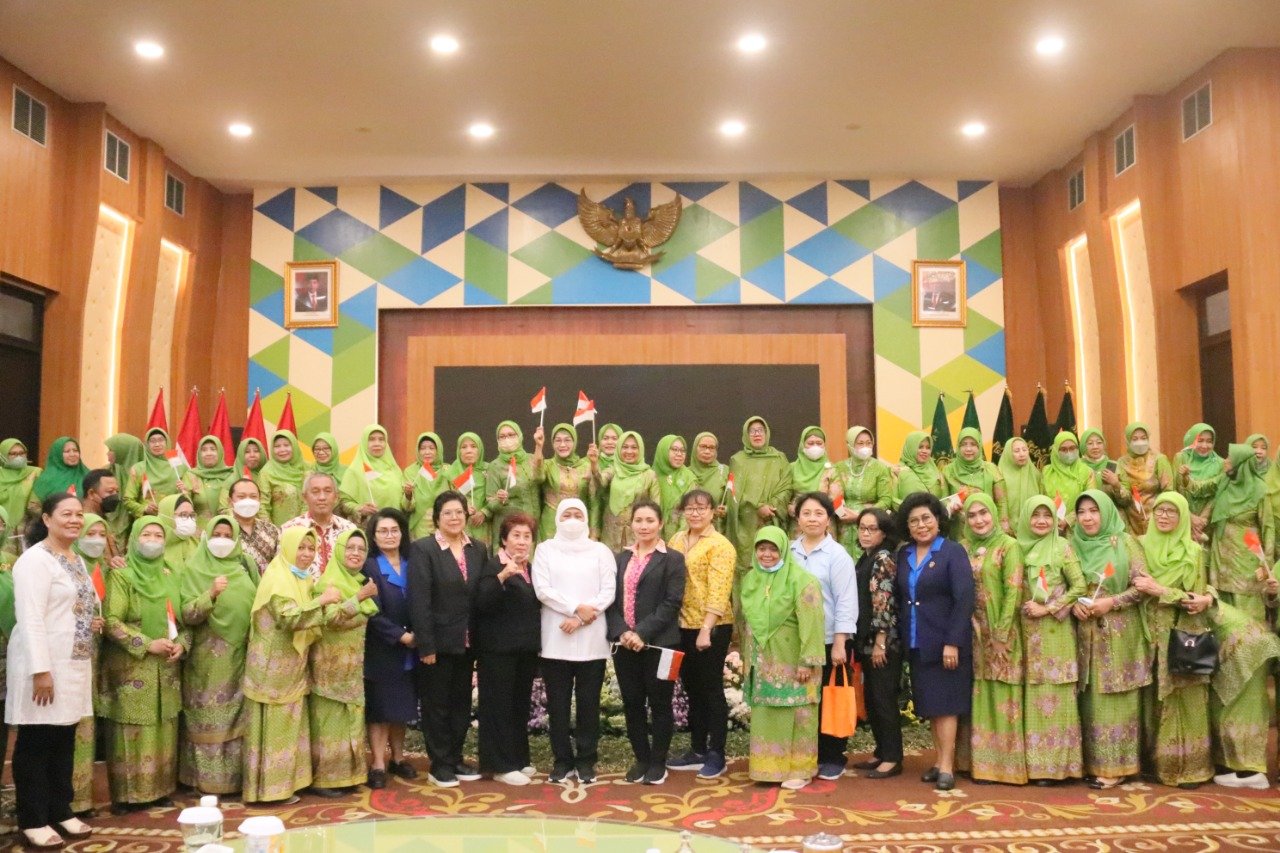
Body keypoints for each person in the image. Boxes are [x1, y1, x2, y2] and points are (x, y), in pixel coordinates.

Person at [6, 493, 99, 847]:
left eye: (78, 514)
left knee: (64, 738)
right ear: (46, 519)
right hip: (43, 665)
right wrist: (40, 670)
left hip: (72, 663)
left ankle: (61, 810)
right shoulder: (34, 561)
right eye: (66, 514)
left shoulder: (76, 559)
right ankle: (33, 818)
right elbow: (30, 617)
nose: (75, 520)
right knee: (37, 740)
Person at [242, 528, 345, 804]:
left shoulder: (302, 578)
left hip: (292, 666)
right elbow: (288, 618)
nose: (306, 554)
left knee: (291, 727)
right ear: (287, 548)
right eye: (300, 547)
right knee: (275, 729)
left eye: (311, 549)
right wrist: (322, 601)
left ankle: (288, 786)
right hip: (271, 668)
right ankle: (269, 791)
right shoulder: (277, 578)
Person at [101, 516, 190, 813]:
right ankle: (127, 795)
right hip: (132, 667)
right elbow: (111, 621)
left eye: (158, 535)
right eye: (146, 534)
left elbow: (183, 621)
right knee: (131, 728)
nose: (152, 540)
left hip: (166, 667)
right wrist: (146, 644)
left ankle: (159, 790)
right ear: (134, 538)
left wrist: (182, 644)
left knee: (163, 728)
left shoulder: (170, 573)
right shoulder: (122, 575)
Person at [1069, 490, 1152, 789]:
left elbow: (1143, 585)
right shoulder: (1071, 544)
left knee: (1117, 700)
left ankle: (1117, 767)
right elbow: (1064, 585)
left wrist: (1111, 602)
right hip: (1085, 634)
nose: (1088, 518)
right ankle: (1094, 764)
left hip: (1120, 632)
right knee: (1091, 700)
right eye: (1082, 512)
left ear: (1106, 512)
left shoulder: (1125, 542)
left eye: (1094, 511)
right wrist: (1074, 605)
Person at [1205, 444, 1277, 789]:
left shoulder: (1260, 492)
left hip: (1250, 588)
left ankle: (1251, 764)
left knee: (1250, 667)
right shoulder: (1223, 488)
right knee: (1223, 669)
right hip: (1220, 587)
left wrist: (1268, 580)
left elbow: (1270, 539)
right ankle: (1225, 760)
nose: (1225, 462)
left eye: (1230, 459)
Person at [1132, 492, 1213, 788]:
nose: (1164, 516)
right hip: (1146, 631)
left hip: (1182, 632)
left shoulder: (1194, 551)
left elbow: (1196, 597)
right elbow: (1133, 586)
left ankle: (1190, 768)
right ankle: (1155, 765)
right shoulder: (1140, 545)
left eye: (1171, 511)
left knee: (1185, 697)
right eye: (1159, 510)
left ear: (1182, 517)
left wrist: (1160, 590)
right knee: (1151, 697)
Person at [532, 498, 616, 784]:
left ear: (586, 519)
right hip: (556, 638)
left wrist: (580, 618)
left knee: (588, 705)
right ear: (557, 518)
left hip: (592, 639)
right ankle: (562, 760)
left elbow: (608, 592)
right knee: (557, 705)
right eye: (566, 514)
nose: (571, 519)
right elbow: (543, 589)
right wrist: (575, 608)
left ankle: (586, 760)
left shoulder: (600, 551)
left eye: (577, 514)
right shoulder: (545, 549)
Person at [409, 490, 487, 788]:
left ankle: (455, 758)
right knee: (437, 705)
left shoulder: (477, 548)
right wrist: (426, 645)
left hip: (467, 642)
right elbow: (420, 601)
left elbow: (480, 596)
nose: (454, 518)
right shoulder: (424, 549)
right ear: (437, 518)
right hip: (437, 644)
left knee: (460, 705)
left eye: (459, 512)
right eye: (448, 513)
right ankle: (439, 764)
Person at [894, 492, 973, 791]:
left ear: (938, 519)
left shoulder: (952, 552)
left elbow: (964, 599)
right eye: (914, 521)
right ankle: (938, 761)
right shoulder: (904, 554)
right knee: (930, 705)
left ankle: (948, 767)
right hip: (917, 641)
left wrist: (953, 641)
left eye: (926, 518)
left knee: (947, 706)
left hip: (945, 643)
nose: (921, 525)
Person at [607, 500, 686, 785]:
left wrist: (641, 633)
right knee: (632, 702)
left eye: (650, 520)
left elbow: (672, 602)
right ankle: (641, 757)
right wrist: (622, 632)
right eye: (638, 520)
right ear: (631, 524)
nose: (644, 526)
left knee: (661, 703)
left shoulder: (673, 559)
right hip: (624, 644)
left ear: (661, 523)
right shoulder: (620, 559)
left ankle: (658, 761)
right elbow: (609, 600)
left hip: (661, 644)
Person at [177, 515, 258, 796]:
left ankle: (235, 781)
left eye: (227, 535)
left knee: (238, 715)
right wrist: (209, 594)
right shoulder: (193, 568)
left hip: (241, 652)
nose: (221, 540)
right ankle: (204, 781)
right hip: (207, 657)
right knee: (209, 716)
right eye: (217, 534)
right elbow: (187, 614)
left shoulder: (245, 565)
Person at [739, 526, 824, 790]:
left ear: (784, 550)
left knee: (798, 713)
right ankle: (768, 769)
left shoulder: (803, 581)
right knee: (767, 714)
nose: (767, 554)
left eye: (773, 549)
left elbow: (813, 624)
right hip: (763, 660)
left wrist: (807, 661)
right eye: (761, 549)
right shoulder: (750, 580)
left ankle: (800, 770)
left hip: (794, 660)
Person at [1016, 495, 1086, 785]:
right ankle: (1038, 767)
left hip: (1056, 633)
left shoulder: (1063, 547)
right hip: (1026, 633)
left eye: (1047, 515)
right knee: (1034, 696)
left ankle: (1060, 767)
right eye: (1035, 515)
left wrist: (1048, 608)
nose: (1042, 521)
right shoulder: (1017, 548)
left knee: (1058, 696)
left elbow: (1079, 586)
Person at [666, 489, 736, 778]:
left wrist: (706, 628)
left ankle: (716, 753)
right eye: (690, 508)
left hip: (711, 626)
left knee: (710, 689)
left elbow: (720, 589)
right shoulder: (676, 539)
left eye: (701, 508)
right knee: (691, 688)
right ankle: (697, 749)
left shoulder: (721, 545)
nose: (695, 513)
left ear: (712, 511)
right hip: (681, 624)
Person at [788, 492, 857, 781]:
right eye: (806, 513)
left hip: (829, 638)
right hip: (797, 639)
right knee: (802, 698)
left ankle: (832, 755)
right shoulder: (789, 551)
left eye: (819, 514)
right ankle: (805, 754)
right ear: (798, 518)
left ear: (828, 519)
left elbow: (845, 601)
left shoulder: (837, 555)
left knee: (830, 697)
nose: (812, 519)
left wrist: (840, 641)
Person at [960, 493, 1027, 786]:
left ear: (994, 514)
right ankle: (978, 764)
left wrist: (1000, 635)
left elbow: (1013, 591)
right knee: (978, 692)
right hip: (972, 630)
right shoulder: (963, 547)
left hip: (1001, 631)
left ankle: (1005, 766)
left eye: (983, 513)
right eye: (972, 515)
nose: (979, 520)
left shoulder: (1008, 546)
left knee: (1001, 692)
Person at [308, 529, 378, 796]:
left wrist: (360, 594)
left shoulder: (357, 582)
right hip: (329, 667)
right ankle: (324, 780)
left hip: (352, 667)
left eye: (361, 549)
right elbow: (330, 619)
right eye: (350, 548)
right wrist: (359, 598)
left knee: (350, 722)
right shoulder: (329, 583)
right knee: (330, 724)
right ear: (338, 551)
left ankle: (348, 776)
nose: (356, 553)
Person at [475, 511, 541, 785]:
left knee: (518, 705)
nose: (522, 541)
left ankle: (518, 759)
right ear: (504, 539)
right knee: (498, 706)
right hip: (497, 651)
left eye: (527, 536)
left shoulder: (531, 569)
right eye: (516, 535)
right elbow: (481, 602)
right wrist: (502, 576)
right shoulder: (493, 565)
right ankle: (499, 765)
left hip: (523, 651)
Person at [362, 508, 420, 789]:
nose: (389, 535)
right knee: (380, 708)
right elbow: (371, 612)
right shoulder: (369, 566)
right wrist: (401, 636)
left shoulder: (413, 562)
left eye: (394, 530)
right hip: (383, 646)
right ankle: (377, 763)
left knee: (402, 706)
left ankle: (398, 758)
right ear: (373, 536)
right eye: (383, 531)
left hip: (413, 648)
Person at [849, 507, 903, 779]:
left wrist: (881, 641)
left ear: (884, 533)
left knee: (883, 698)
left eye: (872, 529)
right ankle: (882, 751)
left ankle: (892, 757)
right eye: (862, 528)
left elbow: (884, 601)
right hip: (867, 639)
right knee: (872, 698)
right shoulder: (866, 557)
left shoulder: (882, 558)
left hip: (883, 642)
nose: (866, 533)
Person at [70, 511, 110, 814]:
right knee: (71, 726)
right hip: (69, 658)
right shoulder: (69, 566)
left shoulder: (108, 568)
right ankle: (66, 801)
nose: (96, 540)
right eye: (90, 533)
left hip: (100, 659)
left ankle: (83, 799)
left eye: (101, 534)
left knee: (88, 726)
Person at [726, 418, 793, 575]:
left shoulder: (779, 458)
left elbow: (786, 486)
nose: (757, 434)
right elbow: (734, 493)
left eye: (760, 430)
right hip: (746, 524)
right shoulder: (738, 460)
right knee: (747, 568)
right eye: (752, 431)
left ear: (767, 433)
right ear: (745, 435)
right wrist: (757, 507)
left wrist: (771, 506)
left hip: (773, 519)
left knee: (773, 563)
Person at [828, 427, 894, 553]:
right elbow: (835, 495)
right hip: (844, 525)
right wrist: (841, 513)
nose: (865, 447)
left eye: (869, 443)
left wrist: (861, 515)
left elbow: (886, 500)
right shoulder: (839, 467)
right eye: (860, 443)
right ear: (850, 445)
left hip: (869, 525)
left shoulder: (880, 468)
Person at [282, 472, 357, 579]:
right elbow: (282, 571)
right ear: (304, 497)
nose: (322, 497)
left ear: (336, 497)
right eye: (315, 492)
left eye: (327, 491)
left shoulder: (349, 529)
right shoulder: (290, 529)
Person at [594, 431, 660, 551]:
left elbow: (656, 509)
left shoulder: (649, 475)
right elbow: (600, 482)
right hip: (611, 535)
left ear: (641, 449)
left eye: (634, 447)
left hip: (638, 536)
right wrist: (594, 465)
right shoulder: (613, 470)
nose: (629, 451)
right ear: (619, 449)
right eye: (625, 447)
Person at [941, 428, 1009, 535]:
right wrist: (951, 507)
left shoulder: (991, 469)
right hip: (960, 530)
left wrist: (1002, 529)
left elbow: (1002, 502)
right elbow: (942, 503)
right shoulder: (948, 471)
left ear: (979, 446)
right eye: (964, 444)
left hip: (988, 527)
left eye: (973, 444)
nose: (968, 449)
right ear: (958, 447)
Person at [485, 422, 542, 546]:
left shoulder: (531, 459)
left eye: (511, 435)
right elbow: (491, 502)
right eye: (502, 436)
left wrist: (539, 446)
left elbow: (540, 478)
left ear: (519, 436)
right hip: (510, 531)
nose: (507, 439)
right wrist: (500, 499)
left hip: (533, 527)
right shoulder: (495, 466)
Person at [339, 425, 409, 527]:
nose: (377, 443)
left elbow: (403, 504)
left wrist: (408, 495)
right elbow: (344, 503)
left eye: (381, 439)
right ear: (364, 443)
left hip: (394, 527)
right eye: (371, 439)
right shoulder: (354, 471)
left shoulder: (394, 470)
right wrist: (360, 508)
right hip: (368, 528)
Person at [537, 424, 594, 542]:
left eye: (567, 440)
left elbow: (593, 500)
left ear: (575, 442)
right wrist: (538, 446)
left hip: (578, 522)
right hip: (551, 525)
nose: (562, 445)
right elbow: (538, 477)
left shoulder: (586, 466)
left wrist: (594, 530)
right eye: (558, 440)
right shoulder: (547, 465)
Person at [1116, 422, 1173, 535]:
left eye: (1143, 438)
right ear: (1128, 440)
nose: (1140, 442)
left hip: (1157, 517)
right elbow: (1124, 499)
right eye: (1135, 439)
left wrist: (1161, 514)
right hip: (1132, 519)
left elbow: (1168, 492)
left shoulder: (1159, 459)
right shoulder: (1122, 462)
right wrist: (1115, 485)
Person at [1174, 423, 1226, 542]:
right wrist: (1189, 517)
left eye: (1209, 441)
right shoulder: (1181, 458)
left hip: (1208, 523)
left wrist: (1202, 519)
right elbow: (1174, 490)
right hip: (1182, 518)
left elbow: (1217, 495)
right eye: (1200, 440)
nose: (1204, 445)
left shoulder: (1220, 463)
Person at [122, 428, 186, 519]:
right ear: (147, 444)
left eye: (161, 440)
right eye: (152, 441)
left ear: (167, 442)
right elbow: (128, 500)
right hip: (148, 521)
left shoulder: (180, 467)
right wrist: (144, 508)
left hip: (174, 520)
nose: (157, 444)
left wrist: (185, 490)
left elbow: (193, 498)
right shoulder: (138, 468)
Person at [1040, 432, 1096, 531]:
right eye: (1063, 449)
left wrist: (1068, 520)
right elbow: (1041, 498)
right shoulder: (1047, 472)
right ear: (1056, 451)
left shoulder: (1086, 472)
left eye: (1072, 448)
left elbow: (1090, 500)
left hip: (1080, 527)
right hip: (1051, 526)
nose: (1069, 452)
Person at [226, 478, 279, 576]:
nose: (248, 501)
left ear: (259, 500)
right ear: (230, 501)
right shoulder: (220, 531)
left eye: (253, 496)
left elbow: (280, 564)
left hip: (267, 584)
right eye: (241, 497)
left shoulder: (272, 530)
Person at [444, 432, 489, 541]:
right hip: (458, 527)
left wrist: (484, 512)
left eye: (473, 446)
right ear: (458, 451)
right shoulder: (450, 472)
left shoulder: (489, 469)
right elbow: (444, 501)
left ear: (480, 449)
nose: (469, 450)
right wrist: (462, 506)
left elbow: (495, 497)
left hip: (483, 527)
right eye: (464, 447)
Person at [1, 438, 41, 558]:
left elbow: (35, 506)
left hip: (25, 531)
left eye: (21, 453)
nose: (18, 457)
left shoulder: (34, 473)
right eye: (13, 454)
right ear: (3, 455)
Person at [259, 430, 309, 525]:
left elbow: (311, 499)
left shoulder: (307, 468)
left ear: (294, 446)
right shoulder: (266, 472)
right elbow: (263, 505)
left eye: (286, 445)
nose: (282, 450)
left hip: (306, 527)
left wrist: (303, 525)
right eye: (277, 446)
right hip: (278, 528)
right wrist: (270, 529)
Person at [405, 431, 448, 539]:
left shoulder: (448, 470)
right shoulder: (411, 472)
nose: (427, 452)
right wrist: (408, 495)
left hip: (444, 523)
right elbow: (406, 507)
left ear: (438, 450)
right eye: (422, 448)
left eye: (431, 448)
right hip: (420, 526)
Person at [653, 435, 697, 540]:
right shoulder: (650, 476)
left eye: (682, 450)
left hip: (678, 538)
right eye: (674, 449)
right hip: (650, 537)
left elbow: (688, 514)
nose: (679, 454)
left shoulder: (688, 478)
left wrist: (678, 541)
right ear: (663, 450)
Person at [104, 433, 144, 548]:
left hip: (138, 522)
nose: (107, 453)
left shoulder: (143, 473)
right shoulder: (105, 472)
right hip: (111, 525)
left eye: (111, 450)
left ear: (123, 452)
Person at [996, 437, 1044, 535]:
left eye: (1024, 450)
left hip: (1033, 529)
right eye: (1016, 451)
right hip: (1006, 531)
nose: (1022, 454)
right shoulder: (999, 475)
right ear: (1008, 453)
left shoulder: (1035, 474)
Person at [186, 436, 233, 525]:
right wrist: (183, 492)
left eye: (213, 449)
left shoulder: (231, 474)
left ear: (220, 452)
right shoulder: (191, 475)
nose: (208, 453)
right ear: (199, 454)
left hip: (226, 527)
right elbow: (185, 504)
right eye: (204, 450)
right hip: (199, 530)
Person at [789, 427, 834, 516]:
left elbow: (837, 497)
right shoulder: (792, 468)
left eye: (819, 443)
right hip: (797, 516)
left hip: (824, 517)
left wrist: (842, 516)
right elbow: (785, 494)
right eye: (810, 443)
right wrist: (788, 507)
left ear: (824, 445)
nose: (815, 447)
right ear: (802, 445)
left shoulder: (831, 469)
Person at [589, 423, 624, 536]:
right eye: (605, 438)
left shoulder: (626, 466)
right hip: (590, 516)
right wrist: (593, 464)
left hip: (614, 521)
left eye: (614, 438)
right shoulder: (587, 462)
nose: (610, 442)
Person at [80, 469, 124, 556]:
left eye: (117, 492)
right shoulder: (85, 522)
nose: (115, 496)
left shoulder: (100, 516)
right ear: (91, 493)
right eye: (110, 491)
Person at [32, 437, 90, 503]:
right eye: (67, 451)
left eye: (75, 450)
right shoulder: (46, 479)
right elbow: (33, 505)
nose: (72, 454)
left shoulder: (88, 476)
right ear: (57, 455)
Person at [688, 432, 729, 523]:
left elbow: (734, 502)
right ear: (695, 448)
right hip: (690, 527)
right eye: (703, 447)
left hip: (716, 528)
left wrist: (725, 509)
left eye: (711, 448)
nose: (707, 451)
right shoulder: (685, 473)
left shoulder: (724, 472)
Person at [1080, 428, 1126, 509]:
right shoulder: (1078, 467)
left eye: (1099, 443)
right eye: (1090, 443)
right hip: (1086, 513)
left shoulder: (1113, 466)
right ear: (1083, 446)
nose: (1095, 447)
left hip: (1110, 513)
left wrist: (1116, 485)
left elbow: (1126, 502)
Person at [895, 432, 946, 502]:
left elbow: (944, 496)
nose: (924, 451)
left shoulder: (934, 469)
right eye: (920, 447)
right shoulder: (898, 471)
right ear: (911, 448)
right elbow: (892, 500)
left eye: (928, 448)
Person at [218, 437, 266, 512]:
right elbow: (223, 510)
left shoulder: (268, 476)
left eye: (256, 451)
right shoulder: (231, 480)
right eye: (247, 452)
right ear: (240, 455)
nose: (252, 455)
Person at [158, 493, 201, 576]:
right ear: (167, 515)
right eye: (183, 515)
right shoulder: (153, 546)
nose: (189, 519)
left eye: (192, 515)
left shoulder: (198, 544)